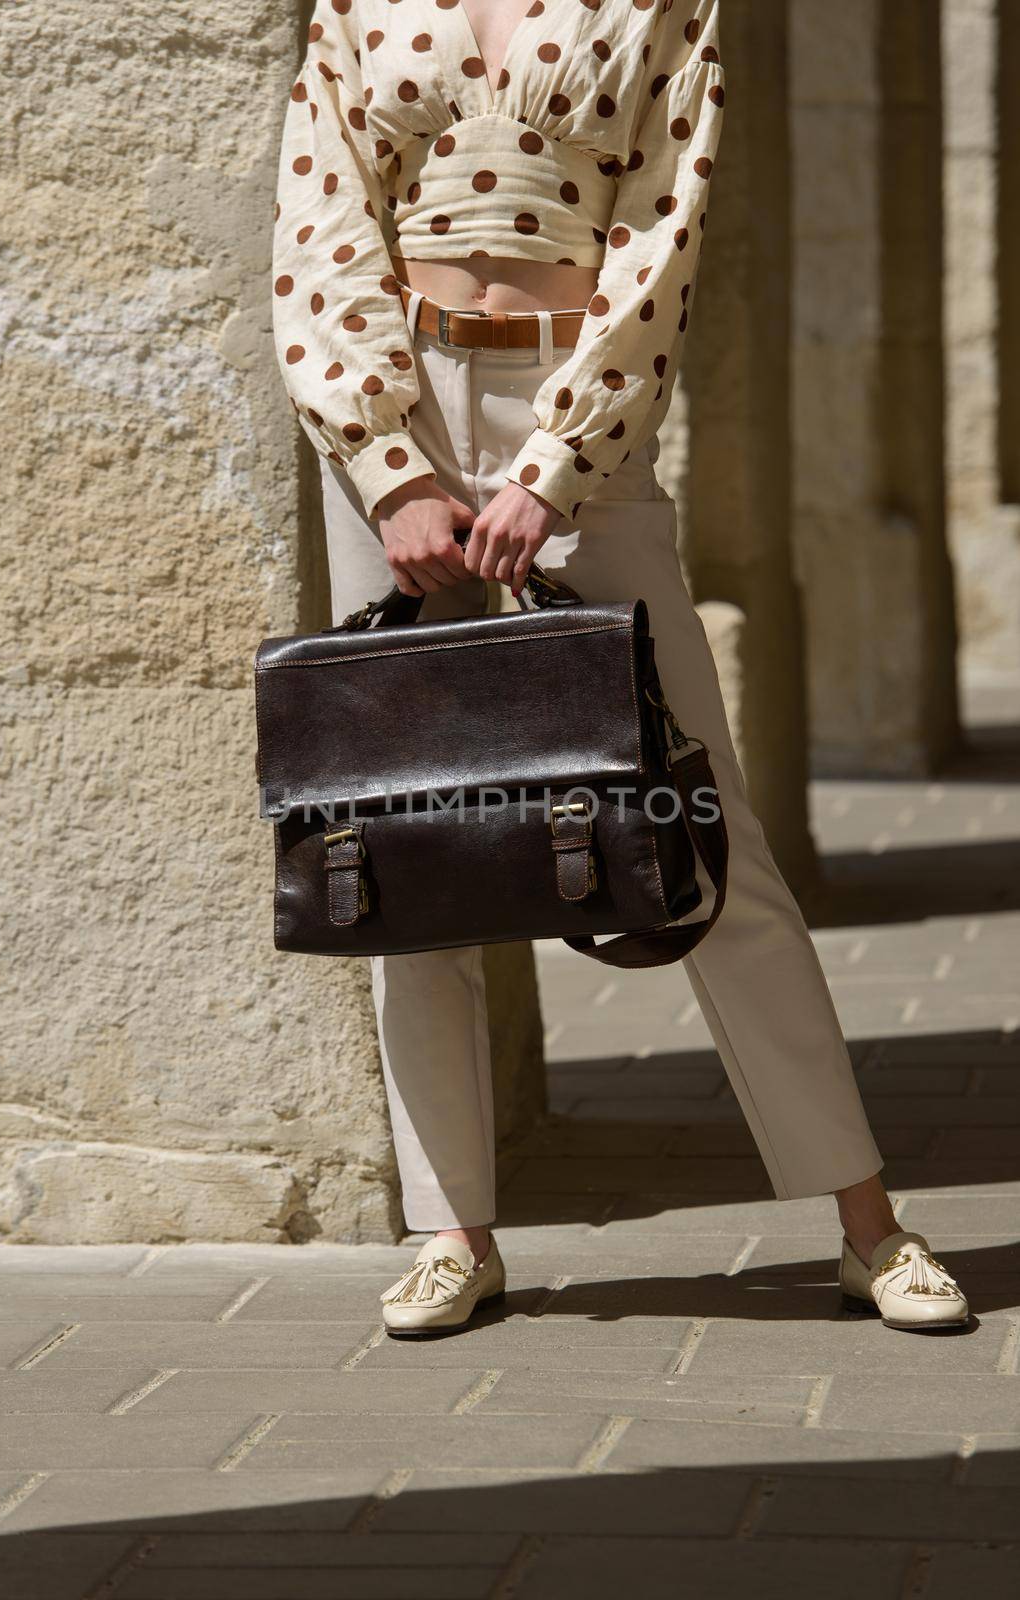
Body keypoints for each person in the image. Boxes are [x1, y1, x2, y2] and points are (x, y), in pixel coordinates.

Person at [271, 0, 968, 1336]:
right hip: (396, 408)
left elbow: (663, 232)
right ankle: (453, 1236)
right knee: (405, 843)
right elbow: (319, 223)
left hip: (573, 413)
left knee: (711, 837)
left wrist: (560, 466)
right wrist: (386, 462)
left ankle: (868, 1226)